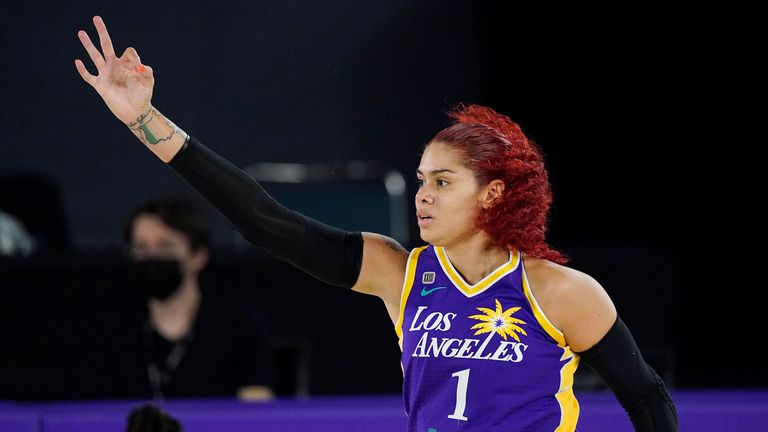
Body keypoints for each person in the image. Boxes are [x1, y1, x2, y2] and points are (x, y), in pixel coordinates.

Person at [75, 16, 677, 431]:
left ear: (495, 194)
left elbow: (646, 395)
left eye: (443, 182)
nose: (423, 196)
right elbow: (265, 222)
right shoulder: (400, 273)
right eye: (420, 180)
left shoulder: (559, 291)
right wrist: (145, 120)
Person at [113, 197, 274, 401]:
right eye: (141, 248)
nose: (152, 257)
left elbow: (256, 408)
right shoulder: (116, 331)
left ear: (198, 256)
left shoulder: (240, 325)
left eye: (165, 247)